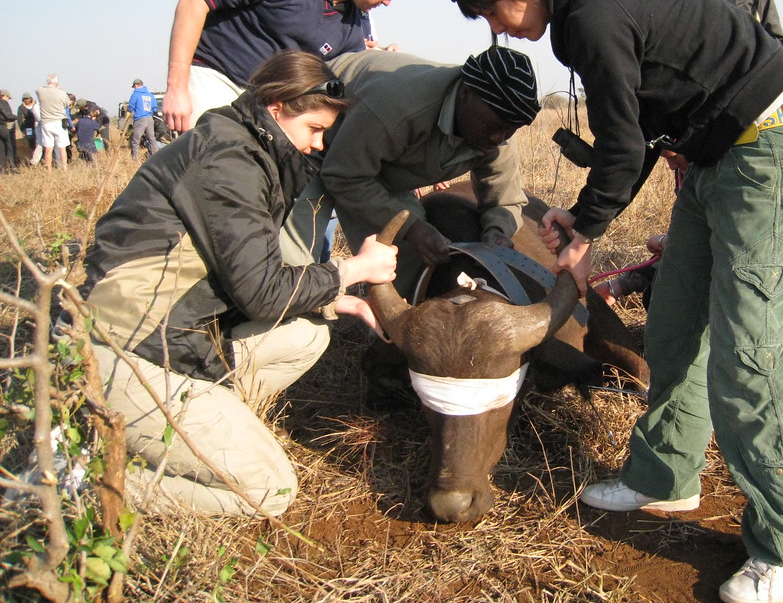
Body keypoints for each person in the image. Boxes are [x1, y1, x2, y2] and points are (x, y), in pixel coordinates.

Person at [438, 0, 783, 603]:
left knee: (749, 356)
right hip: (716, 159)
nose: (497, 27)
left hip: (769, 152)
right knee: (679, 327)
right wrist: (587, 217)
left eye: (490, 10)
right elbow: (645, 133)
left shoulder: (590, 15)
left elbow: (623, 146)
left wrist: (586, 228)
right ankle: (664, 476)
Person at [79, 50, 398, 516]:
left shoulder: (245, 150)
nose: (317, 145)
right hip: (128, 346)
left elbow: (246, 276)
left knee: (309, 333)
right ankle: (85, 480)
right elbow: (262, 292)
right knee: (271, 489)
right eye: (314, 129)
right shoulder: (229, 162)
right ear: (275, 108)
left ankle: (197, 425)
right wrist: (353, 270)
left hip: (177, 331)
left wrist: (337, 302)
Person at [596, 152, 783, 368]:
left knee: (684, 295)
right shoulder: (700, 166)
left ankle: (782, 351)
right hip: (771, 282)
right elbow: (694, 249)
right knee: (663, 291)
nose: (671, 164)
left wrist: (666, 244)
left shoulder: (744, 166)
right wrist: (618, 286)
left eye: (674, 154)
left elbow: (718, 250)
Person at [162, 0, 424, 132]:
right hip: (217, 79)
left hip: (270, 108)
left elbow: (345, 87)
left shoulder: (353, 27)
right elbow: (193, 1)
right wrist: (177, 88)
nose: (389, 3)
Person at [316, 45, 540, 291]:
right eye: (493, 126)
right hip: (313, 133)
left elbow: (505, 199)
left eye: (510, 130)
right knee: (295, 255)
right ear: (466, 93)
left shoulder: (498, 128)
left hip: (375, 159)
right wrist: (411, 227)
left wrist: (498, 230)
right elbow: (343, 175)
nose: (499, 138)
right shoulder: (398, 106)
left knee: (409, 259)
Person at [36, 74, 71, 171]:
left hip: (46, 122)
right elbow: (67, 104)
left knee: (48, 148)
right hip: (59, 122)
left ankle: (49, 170)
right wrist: (58, 89)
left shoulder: (40, 91)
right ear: (57, 82)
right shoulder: (61, 93)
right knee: (62, 147)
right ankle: (65, 168)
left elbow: (38, 89)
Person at [127, 79, 158, 160]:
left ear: (136, 85)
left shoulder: (136, 94)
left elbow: (131, 106)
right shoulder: (150, 94)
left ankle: (135, 159)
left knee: (136, 139)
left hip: (140, 118)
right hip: (150, 118)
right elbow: (154, 107)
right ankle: (155, 156)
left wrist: (131, 111)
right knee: (152, 138)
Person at [17, 93, 40, 164]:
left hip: (37, 126)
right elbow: (20, 120)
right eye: (24, 99)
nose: (26, 100)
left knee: (39, 142)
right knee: (30, 141)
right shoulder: (21, 108)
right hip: (28, 128)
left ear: (30, 98)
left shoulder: (36, 105)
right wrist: (22, 129)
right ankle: (31, 157)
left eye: (27, 98)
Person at [0, 91, 17, 171]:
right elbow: (7, 115)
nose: (8, 99)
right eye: (8, 97)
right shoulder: (3, 103)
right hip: (3, 126)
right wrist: (16, 117)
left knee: (1, 148)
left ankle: (3, 168)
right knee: (10, 147)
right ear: (5, 96)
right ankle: (12, 167)